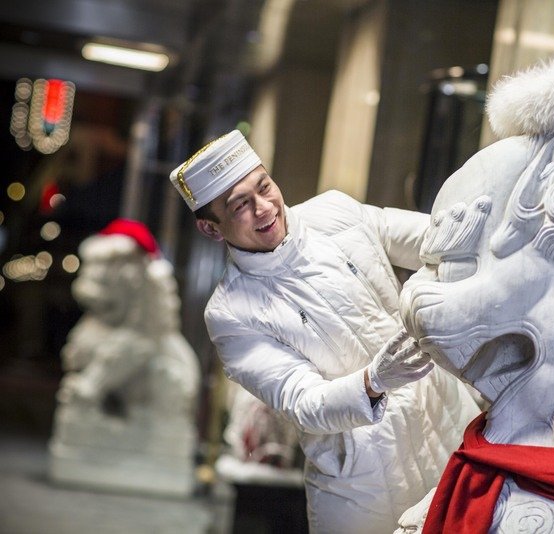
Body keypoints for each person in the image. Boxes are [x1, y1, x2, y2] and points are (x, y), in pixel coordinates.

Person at [168, 130, 479, 533]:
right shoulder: (230, 313)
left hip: (448, 419)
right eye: (241, 205)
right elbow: (303, 402)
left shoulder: (335, 212)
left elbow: (435, 239)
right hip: (362, 477)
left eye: (264, 187)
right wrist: (374, 380)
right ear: (212, 228)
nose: (264, 208)